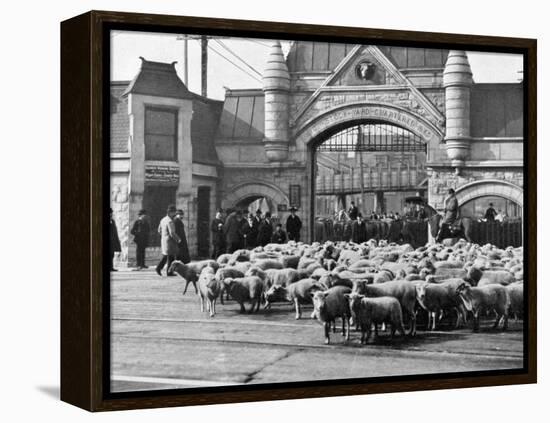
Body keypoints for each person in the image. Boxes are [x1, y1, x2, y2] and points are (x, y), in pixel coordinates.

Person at [156, 205, 180, 277]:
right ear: (170, 213)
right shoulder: (170, 221)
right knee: (171, 257)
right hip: (170, 241)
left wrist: (163, 236)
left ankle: (158, 268)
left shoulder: (163, 219)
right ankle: (169, 272)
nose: (175, 214)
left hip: (164, 240)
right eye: (174, 212)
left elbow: (159, 230)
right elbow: (172, 232)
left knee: (165, 256)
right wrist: (178, 239)